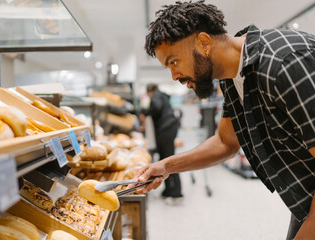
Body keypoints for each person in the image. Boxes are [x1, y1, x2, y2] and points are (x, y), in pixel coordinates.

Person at [131, 1, 315, 239]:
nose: (174, 75)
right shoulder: (233, 75)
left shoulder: (284, 62)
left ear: (204, 43)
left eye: (173, 61)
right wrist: (166, 166)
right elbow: (225, 142)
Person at [141, 83, 183, 204]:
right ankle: (168, 190)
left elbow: (156, 108)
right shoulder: (162, 95)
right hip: (167, 129)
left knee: (169, 161)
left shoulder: (155, 96)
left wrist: (146, 110)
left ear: (149, 92)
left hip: (166, 130)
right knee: (165, 159)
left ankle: (176, 193)